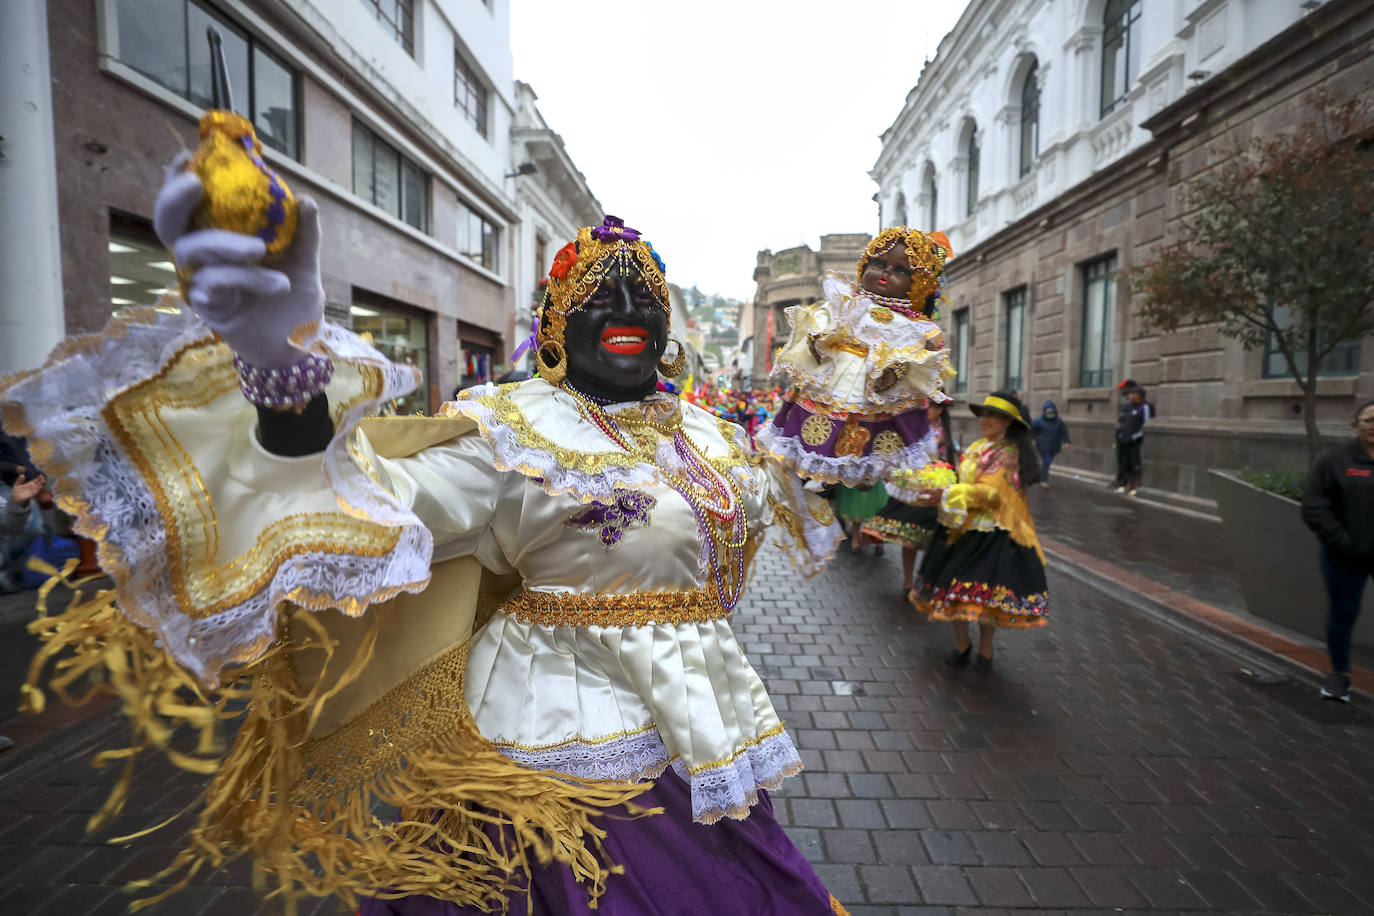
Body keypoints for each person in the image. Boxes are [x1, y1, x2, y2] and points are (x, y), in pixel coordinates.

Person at [1, 145, 850, 913]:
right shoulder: (515, 431)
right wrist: (284, 385)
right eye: (596, 292)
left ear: (667, 327)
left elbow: (795, 490)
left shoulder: (701, 431)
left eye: (644, 293)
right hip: (556, 741)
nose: (625, 303)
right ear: (555, 323)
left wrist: (854, 431)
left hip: (702, 729)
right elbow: (372, 501)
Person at [757, 227, 953, 487]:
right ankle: (816, 472)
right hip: (834, 375)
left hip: (875, 390)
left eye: (901, 271)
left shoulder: (911, 325)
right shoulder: (847, 301)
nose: (886, 274)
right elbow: (822, 320)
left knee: (871, 440)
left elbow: (914, 355)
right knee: (817, 431)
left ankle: (857, 476)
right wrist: (818, 339)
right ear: (865, 265)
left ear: (917, 285)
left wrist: (896, 372)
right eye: (880, 264)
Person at [911, 393, 1048, 673]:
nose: (984, 420)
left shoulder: (1008, 454)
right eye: (983, 414)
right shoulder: (977, 447)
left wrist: (947, 492)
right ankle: (962, 645)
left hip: (992, 534)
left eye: (992, 416)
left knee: (985, 597)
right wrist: (936, 486)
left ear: (1008, 422)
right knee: (952, 590)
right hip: (960, 527)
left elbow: (992, 494)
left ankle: (986, 651)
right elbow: (962, 479)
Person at [1300, 399, 1374, 703]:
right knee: (1343, 613)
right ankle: (1338, 675)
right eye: (1369, 419)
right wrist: (1344, 541)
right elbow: (1314, 507)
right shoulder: (1333, 462)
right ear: (1354, 426)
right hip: (1344, 555)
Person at [864, 402, 958, 590]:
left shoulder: (945, 436)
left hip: (937, 493)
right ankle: (908, 581)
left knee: (935, 541)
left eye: (930, 407)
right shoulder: (913, 429)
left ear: (940, 409)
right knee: (910, 540)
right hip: (912, 491)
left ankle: (926, 579)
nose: (925, 411)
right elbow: (898, 454)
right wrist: (891, 471)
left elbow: (950, 462)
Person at [1112, 382, 1150, 495]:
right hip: (1124, 440)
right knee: (1126, 463)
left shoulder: (1143, 407)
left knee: (1135, 464)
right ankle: (1127, 484)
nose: (1130, 395)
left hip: (1135, 442)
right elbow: (1122, 422)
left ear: (1139, 395)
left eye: (1133, 393)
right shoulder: (1127, 406)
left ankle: (1136, 486)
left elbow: (1146, 424)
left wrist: (1135, 436)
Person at [1030, 400, 1070, 487]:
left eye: (1051, 412)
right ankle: (1044, 480)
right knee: (1046, 461)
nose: (1050, 413)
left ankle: (1040, 475)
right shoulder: (1038, 421)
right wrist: (1032, 439)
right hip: (1043, 445)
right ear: (1044, 412)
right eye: (1048, 412)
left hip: (1054, 445)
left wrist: (1066, 441)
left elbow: (1064, 431)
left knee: (1048, 461)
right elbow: (1032, 431)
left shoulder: (1059, 421)